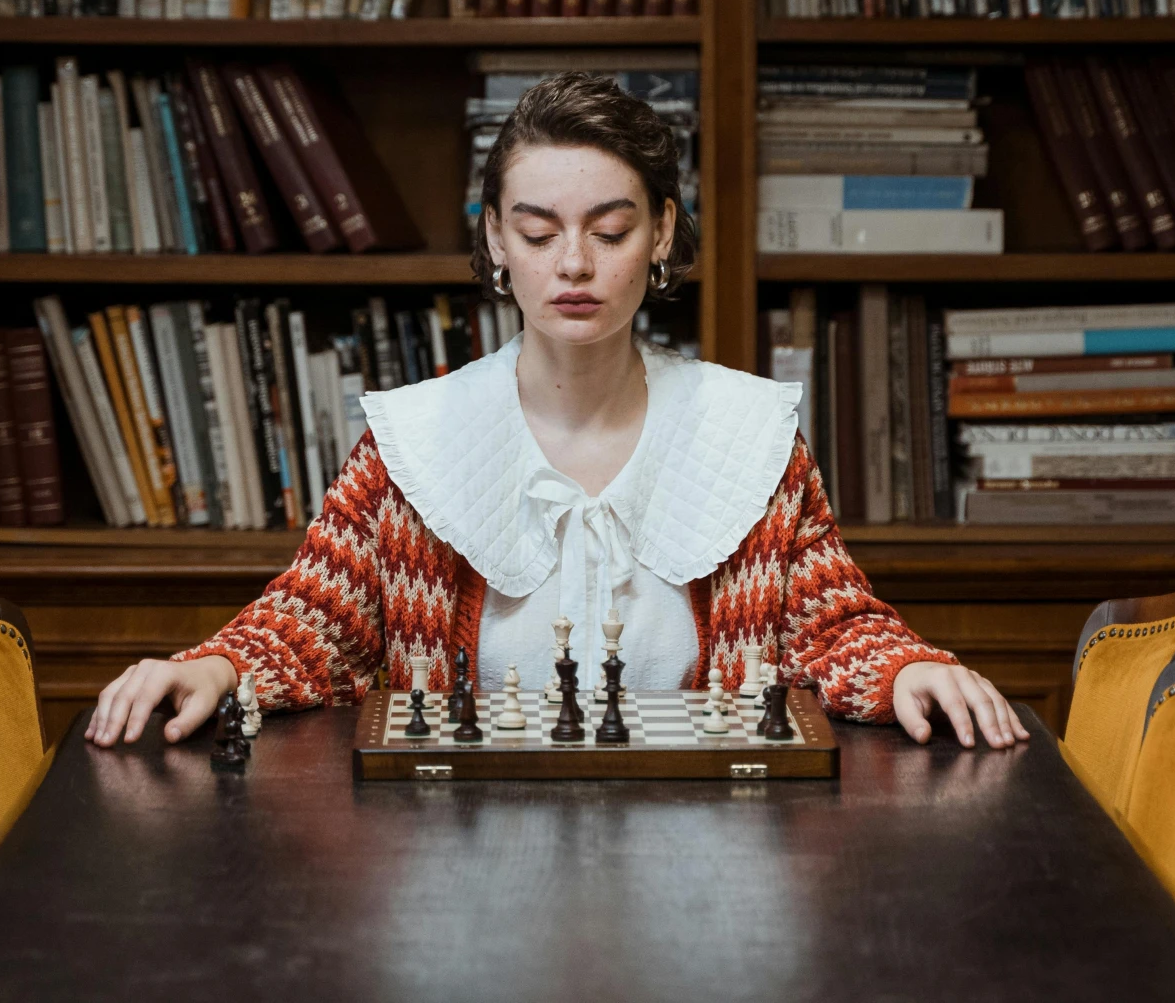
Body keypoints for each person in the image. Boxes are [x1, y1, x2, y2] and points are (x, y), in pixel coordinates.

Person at [87, 72, 1029, 752]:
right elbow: (313, 617)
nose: (573, 264)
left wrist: (910, 668)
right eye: (538, 232)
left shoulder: (747, 434)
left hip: (711, 866)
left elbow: (832, 625)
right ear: (496, 239)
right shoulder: (416, 439)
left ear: (661, 232)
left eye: (610, 230)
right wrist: (215, 667)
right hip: (461, 864)